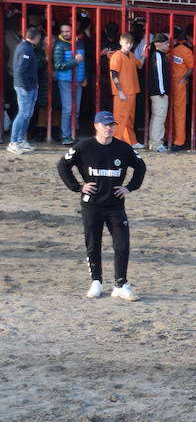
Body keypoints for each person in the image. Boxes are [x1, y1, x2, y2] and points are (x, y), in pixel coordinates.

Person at [57, 111, 145, 299]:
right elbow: (62, 165)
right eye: (105, 125)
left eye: (112, 125)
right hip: (92, 205)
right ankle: (96, 281)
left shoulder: (123, 148)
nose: (109, 128)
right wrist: (77, 187)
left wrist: (130, 187)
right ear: (96, 126)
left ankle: (121, 284)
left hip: (115, 205)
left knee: (122, 244)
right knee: (93, 244)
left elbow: (141, 166)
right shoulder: (83, 147)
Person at [8, 26, 42, 155]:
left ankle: (21, 140)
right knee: (23, 114)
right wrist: (28, 86)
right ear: (36, 38)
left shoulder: (26, 47)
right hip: (25, 87)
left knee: (26, 114)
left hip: (28, 86)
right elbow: (21, 71)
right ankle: (14, 142)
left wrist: (33, 84)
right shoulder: (25, 49)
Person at [52, 21, 86, 145]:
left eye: (68, 31)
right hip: (65, 80)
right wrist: (74, 61)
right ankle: (65, 135)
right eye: (63, 31)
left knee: (76, 109)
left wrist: (85, 77)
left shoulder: (80, 43)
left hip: (78, 80)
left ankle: (73, 133)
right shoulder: (59, 45)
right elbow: (58, 65)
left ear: (73, 31)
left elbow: (84, 61)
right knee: (67, 109)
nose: (65, 33)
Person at [109, 32, 142, 148]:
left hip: (132, 90)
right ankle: (116, 142)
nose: (128, 45)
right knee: (120, 118)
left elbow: (140, 65)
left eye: (130, 43)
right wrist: (120, 91)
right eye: (126, 43)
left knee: (129, 118)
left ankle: (131, 141)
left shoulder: (131, 55)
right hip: (122, 93)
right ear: (120, 42)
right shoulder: (117, 56)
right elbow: (114, 75)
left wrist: (144, 52)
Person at [143, 33, 171, 153]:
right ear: (158, 44)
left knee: (157, 118)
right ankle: (156, 144)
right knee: (159, 118)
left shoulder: (159, 55)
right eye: (166, 43)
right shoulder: (158, 56)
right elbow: (158, 74)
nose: (169, 45)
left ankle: (154, 143)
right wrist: (162, 90)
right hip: (159, 93)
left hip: (158, 92)